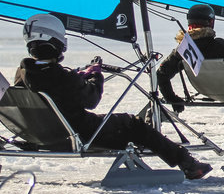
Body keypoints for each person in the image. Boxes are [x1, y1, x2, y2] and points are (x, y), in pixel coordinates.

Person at [14, 13, 212, 179]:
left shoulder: (23, 74)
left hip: (44, 134)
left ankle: (175, 154)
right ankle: (187, 162)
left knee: (129, 126)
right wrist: (95, 75)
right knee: (132, 124)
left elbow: (59, 87)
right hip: (81, 133)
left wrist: (77, 77)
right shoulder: (60, 76)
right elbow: (91, 99)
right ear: (57, 43)